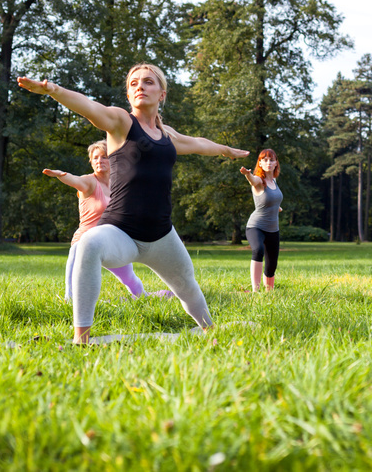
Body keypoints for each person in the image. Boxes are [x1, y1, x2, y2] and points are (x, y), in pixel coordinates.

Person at [18, 64, 248, 343]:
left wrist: (226, 151)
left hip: (162, 235)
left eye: (149, 82)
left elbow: (198, 143)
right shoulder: (121, 122)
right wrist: (53, 90)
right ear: (128, 94)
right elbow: (90, 108)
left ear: (161, 93)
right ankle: (82, 338)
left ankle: (211, 332)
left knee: (187, 286)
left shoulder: (167, 135)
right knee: (88, 244)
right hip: (121, 231)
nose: (140, 86)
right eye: (134, 83)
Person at [42, 139, 148, 302]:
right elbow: (75, 180)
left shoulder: (119, 184)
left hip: (111, 242)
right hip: (86, 240)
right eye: (96, 157)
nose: (100, 161)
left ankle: (145, 297)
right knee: (78, 249)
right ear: (91, 162)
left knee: (134, 287)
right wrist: (61, 175)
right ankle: (70, 300)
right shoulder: (89, 182)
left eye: (104, 157)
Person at [240, 149, 283, 292]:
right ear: (260, 163)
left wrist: (277, 207)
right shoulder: (259, 180)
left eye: (271, 160)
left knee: (272, 265)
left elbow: (272, 199)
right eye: (265, 160)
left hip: (273, 229)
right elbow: (253, 181)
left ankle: (269, 293)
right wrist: (248, 175)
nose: (268, 163)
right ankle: (255, 291)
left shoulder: (274, 181)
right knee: (258, 250)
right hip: (256, 226)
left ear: (276, 163)